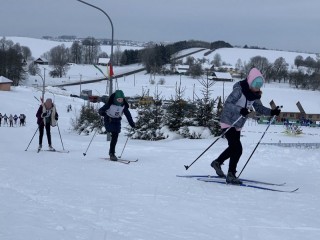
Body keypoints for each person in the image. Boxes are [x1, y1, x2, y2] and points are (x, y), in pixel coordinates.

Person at [211, 68, 281, 184]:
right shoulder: (239, 90)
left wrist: (272, 112)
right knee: (237, 149)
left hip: (238, 123)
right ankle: (231, 174)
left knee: (233, 147)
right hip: (228, 121)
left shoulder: (255, 95)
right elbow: (227, 104)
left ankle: (217, 162)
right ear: (250, 81)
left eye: (260, 85)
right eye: (255, 84)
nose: (257, 87)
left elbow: (259, 108)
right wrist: (241, 110)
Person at [98, 90, 135, 161]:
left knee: (115, 135)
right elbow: (101, 110)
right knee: (112, 131)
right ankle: (112, 153)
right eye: (119, 99)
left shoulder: (123, 106)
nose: (120, 101)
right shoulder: (110, 104)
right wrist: (102, 113)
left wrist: (131, 123)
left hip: (117, 120)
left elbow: (128, 115)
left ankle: (112, 153)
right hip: (108, 119)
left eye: (121, 99)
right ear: (115, 99)